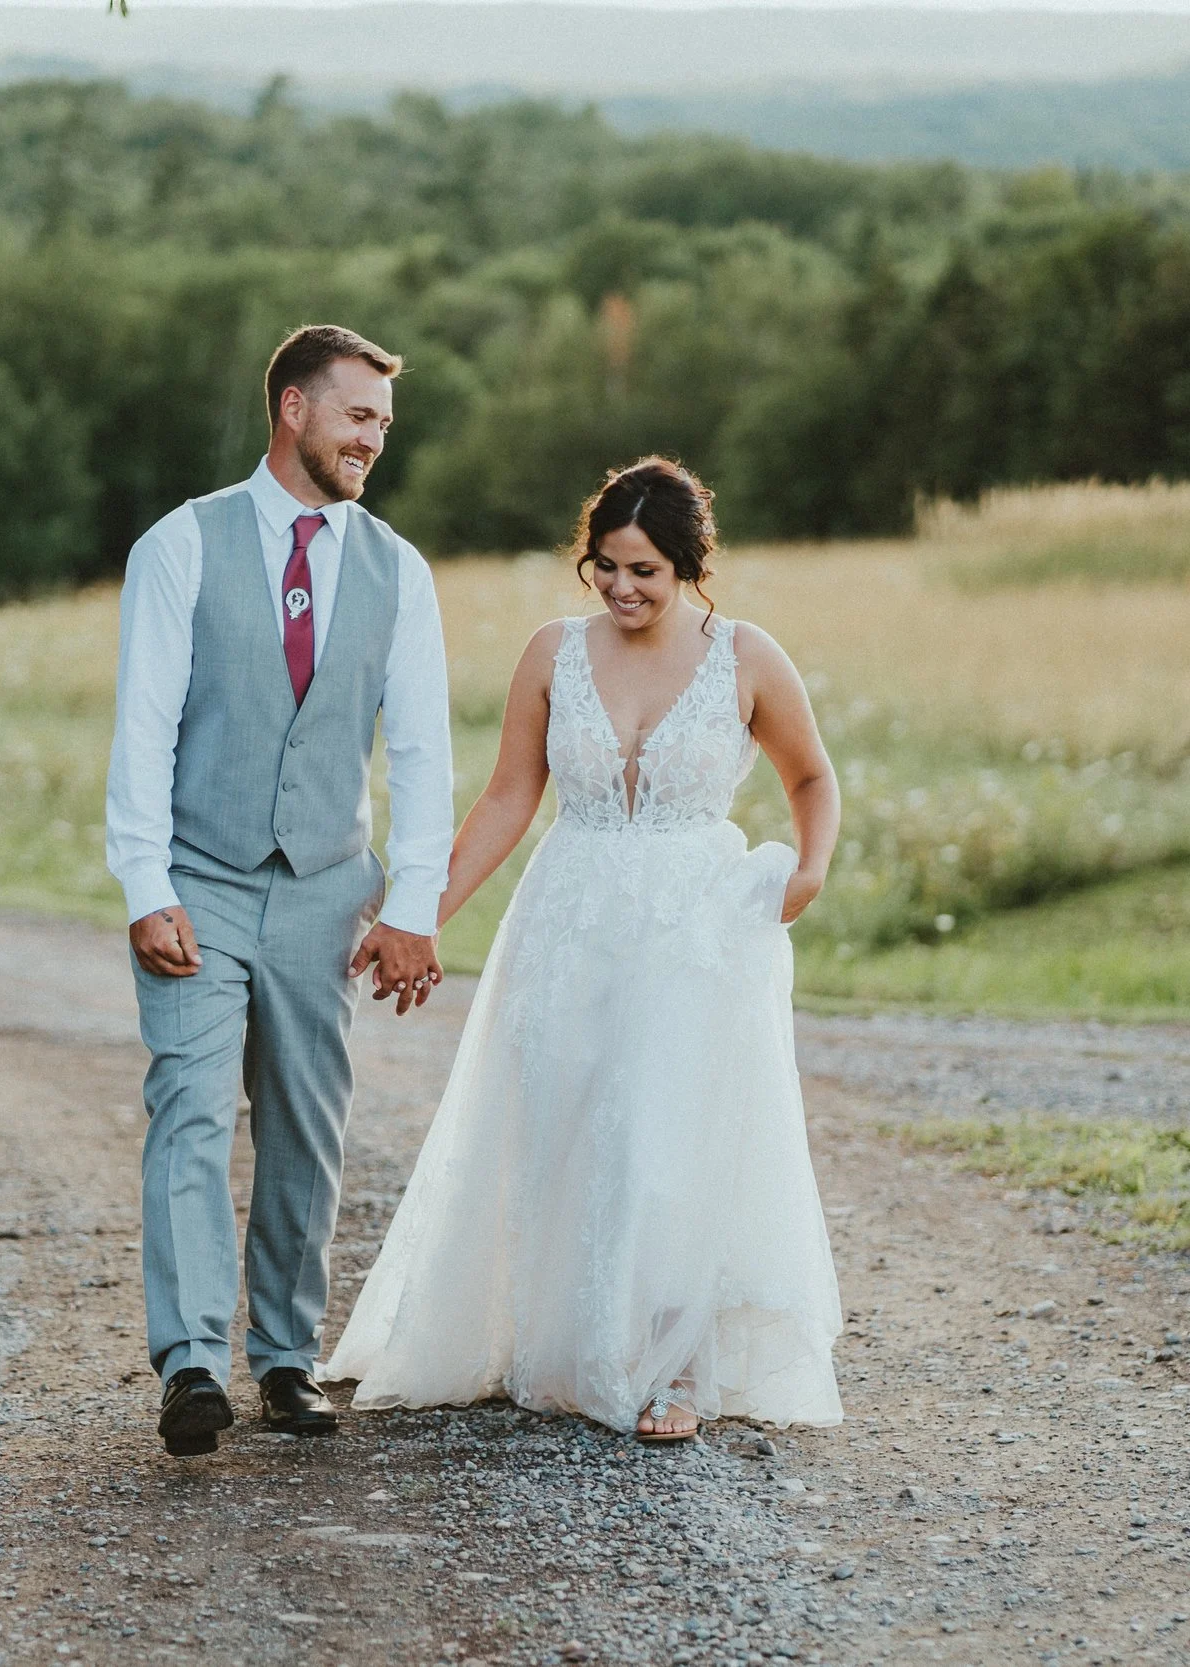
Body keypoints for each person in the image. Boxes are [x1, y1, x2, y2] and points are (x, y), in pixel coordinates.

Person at [323, 457, 844, 1442]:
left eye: (644, 569)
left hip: (694, 926)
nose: (620, 588)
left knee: (665, 1135)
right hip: (569, 917)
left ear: (689, 566)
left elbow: (811, 775)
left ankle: (676, 1366)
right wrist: (420, 910)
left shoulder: (744, 656)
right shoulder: (553, 652)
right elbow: (511, 796)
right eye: (604, 565)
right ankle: (563, 1341)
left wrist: (808, 870)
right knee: (563, 1123)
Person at [104, 325, 454, 1457]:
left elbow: (422, 753)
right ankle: (191, 1363)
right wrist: (143, 881)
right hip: (198, 879)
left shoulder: (399, 569)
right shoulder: (181, 544)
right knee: (192, 1111)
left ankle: (286, 1357)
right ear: (294, 407)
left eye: (384, 427)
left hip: (323, 886)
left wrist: (412, 904)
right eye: (359, 417)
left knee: (306, 1120)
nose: (373, 441)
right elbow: (143, 726)